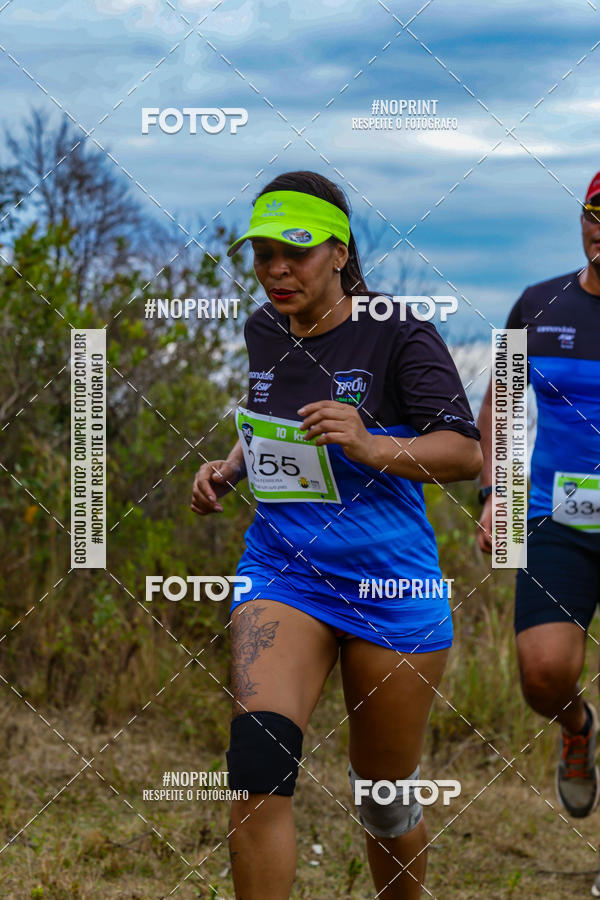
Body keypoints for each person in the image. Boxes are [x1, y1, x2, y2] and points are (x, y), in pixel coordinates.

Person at [191, 170, 482, 899]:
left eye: (296, 252)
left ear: (340, 252)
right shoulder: (264, 328)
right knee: (258, 767)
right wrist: (231, 467)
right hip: (284, 573)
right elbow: (273, 420)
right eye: (263, 255)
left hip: (390, 589)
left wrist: (371, 444)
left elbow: (463, 452)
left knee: (383, 800)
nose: (277, 271)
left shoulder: (399, 332)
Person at [476, 173, 600, 840]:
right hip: (556, 515)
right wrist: (497, 493)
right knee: (543, 674)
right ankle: (577, 728)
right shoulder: (537, 304)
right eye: (596, 213)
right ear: (582, 219)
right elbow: (500, 405)